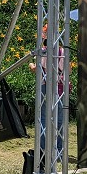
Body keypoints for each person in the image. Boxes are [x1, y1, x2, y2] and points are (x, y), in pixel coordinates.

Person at [30, 25, 67, 165]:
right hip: (60, 87)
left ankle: (43, 150)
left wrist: (31, 65)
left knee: (44, 119)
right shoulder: (62, 51)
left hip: (45, 86)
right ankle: (59, 151)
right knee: (60, 121)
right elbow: (66, 70)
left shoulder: (43, 52)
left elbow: (36, 69)